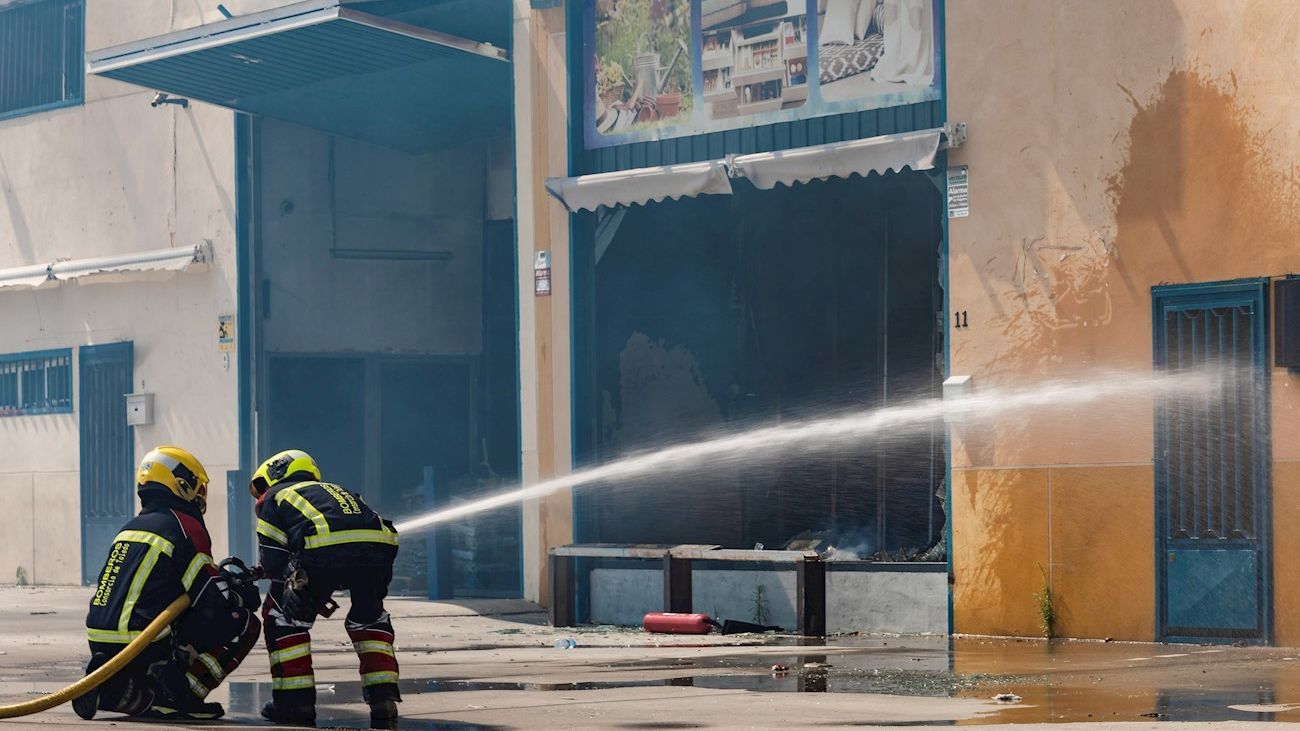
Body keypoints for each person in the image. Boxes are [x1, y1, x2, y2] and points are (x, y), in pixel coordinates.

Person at [75, 446, 261, 722]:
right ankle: (182, 697)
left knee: (180, 621)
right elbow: (210, 600)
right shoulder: (185, 526)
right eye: (198, 487)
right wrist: (240, 597)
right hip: (143, 641)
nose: (200, 496)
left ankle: (119, 690)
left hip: (101, 641)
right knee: (244, 623)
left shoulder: (131, 527)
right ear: (181, 484)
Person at [251, 449, 401, 726]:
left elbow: (273, 559)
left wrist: (290, 583)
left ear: (275, 473)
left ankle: (294, 705)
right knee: (369, 618)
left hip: (323, 550)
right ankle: (384, 700)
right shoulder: (338, 490)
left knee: (283, 617)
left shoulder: (276, 496)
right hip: (379, 551)